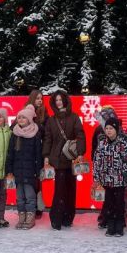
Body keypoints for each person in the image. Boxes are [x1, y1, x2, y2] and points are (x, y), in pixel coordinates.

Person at [42, 89, 86, 230]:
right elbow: (48, 139)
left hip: (71, 159)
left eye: (61, 99)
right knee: (59, 190)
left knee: (71, 189)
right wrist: (46, 156)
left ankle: (68, 218)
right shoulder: (51, 120)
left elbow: (80, 135)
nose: (59, 102)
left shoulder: (74, 117)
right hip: (57, 159)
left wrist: (80, 153)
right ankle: (56, 219)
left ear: (66, 100)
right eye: (56, 100)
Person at [93, 114, 127, 237]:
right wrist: (97, 177)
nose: (109, 131)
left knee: (119, 204)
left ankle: (119, 226)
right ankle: (110, 226)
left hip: (119, 181)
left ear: (116, 129)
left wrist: (123, 173)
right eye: (107, 128)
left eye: (111, 128)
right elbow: (97, 161)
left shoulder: (122, 144)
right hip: (106, 181)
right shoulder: (102, 144)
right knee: (109, 204)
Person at [6, 104, 43, 230]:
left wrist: (38, 171)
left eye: (23, 118)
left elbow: (38, 154)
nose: (21, 120)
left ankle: (30, 217)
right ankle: (22, 216)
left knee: (30, 196)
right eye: (19, 117)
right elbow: (10, 153)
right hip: (17, 171)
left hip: (30, 171)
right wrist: (9, 170)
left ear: (29, 119)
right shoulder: (15, 134)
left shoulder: (35, 134)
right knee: (19, 196)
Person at [27, 89, 48, 219]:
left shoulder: (45, 114)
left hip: (39, 151)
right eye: (37, 98)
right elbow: (15, 128)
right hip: (27, 151)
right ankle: (29, 207)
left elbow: (47, 133)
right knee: (28, 180)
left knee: (37, 181)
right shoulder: (25, 112)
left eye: (41, 98)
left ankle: (37, 207)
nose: (39, 101)